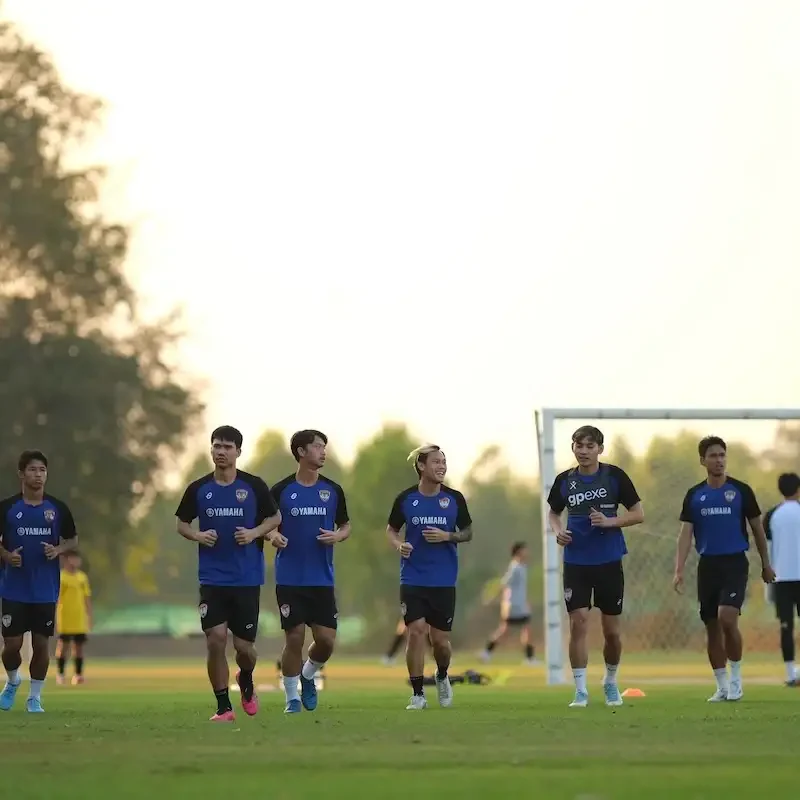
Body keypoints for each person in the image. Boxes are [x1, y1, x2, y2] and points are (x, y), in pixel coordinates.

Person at [175, 426, 282, 722]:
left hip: (246, 578)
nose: (221, 451)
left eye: (227, 447)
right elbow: (182, 523)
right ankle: (223, 707)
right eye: (216, 446)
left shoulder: (253, 486)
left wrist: (254, 533)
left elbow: (275, 517)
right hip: (212, 578)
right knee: (215, 638)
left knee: (244, 648)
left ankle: (245, 678)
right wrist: (197, 536)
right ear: (210, 450)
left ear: (238, 452)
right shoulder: (199, 488)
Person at [547, 426, 644, 708]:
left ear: (600, 449)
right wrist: (558, 530)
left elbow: (638, 514)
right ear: (573, 448)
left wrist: (610, 521)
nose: (584, 451)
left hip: (609, 561)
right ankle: (580, 690)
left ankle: (610, 681)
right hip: (576, 562)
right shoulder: (564, 480)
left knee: (611, 630)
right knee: (578, 623)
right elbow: (553, 512)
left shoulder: (615, 476)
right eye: (579, 445)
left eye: (590, 446)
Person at [674, 435, 775, 702]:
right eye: (713, 456)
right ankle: (722, 686)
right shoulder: (695, 495)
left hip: (734, 563)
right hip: (708, 565)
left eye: (722, 455)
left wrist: (766, 564)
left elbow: (757, 529)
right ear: (702, 461)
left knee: (727, 618)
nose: (719, 460)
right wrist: (679, 569)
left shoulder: (741, 491)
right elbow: (686, 534)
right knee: (711, 626)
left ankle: (737, 679)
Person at [386, 444, 474, 710]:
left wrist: (448, 536)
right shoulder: (405, 499)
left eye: (444, 462)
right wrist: (398, 544)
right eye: (436, 462)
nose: (442, 466)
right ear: (421, 467)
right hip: (412, 578)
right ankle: (417, 694)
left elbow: (468, 532)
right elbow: (391, 530)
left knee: (440, 643)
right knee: (416, 631)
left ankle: (443, 675)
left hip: (444, 580)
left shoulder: (455, 498)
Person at [270, 430, 350, 714]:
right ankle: (291, 698)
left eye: (324, 447)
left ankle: (307, 674)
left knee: (326, 641)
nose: (323, 451)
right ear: (302, 452)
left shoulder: (333, 490)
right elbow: (264, 524)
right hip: (290, 578)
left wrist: (338, 536)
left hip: (322, 578)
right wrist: (272, 537)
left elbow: (345, 526)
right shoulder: (280, 491)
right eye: (318, 446)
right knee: (294, 638)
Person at [0, 450, 78, 713]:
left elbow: (72, 540)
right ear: (22, 474)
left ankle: (35, 697)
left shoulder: (57, 508)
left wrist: (57, 550)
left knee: (41, 643)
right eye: (33, 470)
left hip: (45, 589)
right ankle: (12, 681)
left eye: (42, 470)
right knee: (11, 646)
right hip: (13, 587)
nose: (38, 475)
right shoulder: (8, 508)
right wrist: (7, 555)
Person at [762, 472, 800, 686]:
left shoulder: (772, 515)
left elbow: (768, 550)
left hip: (782, 578)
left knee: (786, 626)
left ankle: (789, 673)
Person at [480, 542, 536, 665]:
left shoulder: (522, 567)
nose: (527, 552)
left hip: (519, 604)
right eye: (525, 550)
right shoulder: (515, 567)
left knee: (512, 630)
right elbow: (504, 583)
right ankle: (529, 658)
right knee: (518, 630)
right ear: (519, 552)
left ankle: (487, 652)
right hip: (514, 605)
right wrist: (492, 597)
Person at [55, 551, 92, 685]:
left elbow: (87, 597)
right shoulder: (61, 577)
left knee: (79, 647)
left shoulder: (82, 577)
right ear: (66, 560)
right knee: (63, 646)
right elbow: (56, 597)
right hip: (65, 617)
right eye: (73, 558)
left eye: (77, 559)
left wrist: (89, 615)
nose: (76, 561)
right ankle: (60, 673)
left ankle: (78, 674)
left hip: (79, 618)